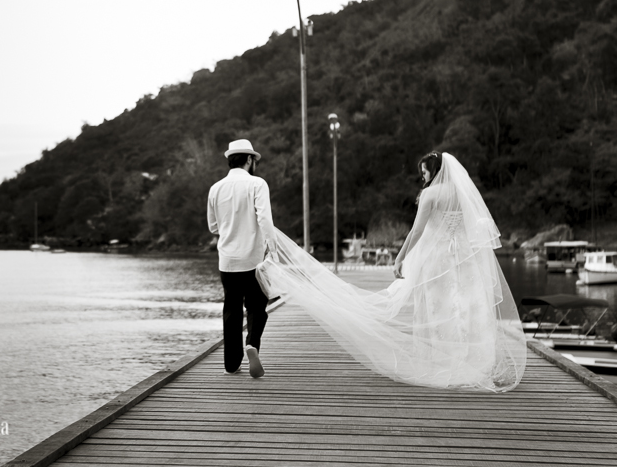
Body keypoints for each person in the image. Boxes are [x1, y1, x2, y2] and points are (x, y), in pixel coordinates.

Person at [256, 151, 526, 392]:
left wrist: (400, 257)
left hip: (437, 261)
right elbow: (471, 228)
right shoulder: (461, 193)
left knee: (438, 308)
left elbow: (418, 231)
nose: (422, 177)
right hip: (464, 260)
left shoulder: (431, 194)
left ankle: (444, 359)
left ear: (434, 170)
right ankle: (476, 361)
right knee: (467, 308)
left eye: (424, 172)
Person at [208, 139, 277, 378]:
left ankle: (231, 363)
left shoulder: (215, 188)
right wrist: (273, 250)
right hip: (254, 260)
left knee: (232, 309)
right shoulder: (257, 184)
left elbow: (213, 226)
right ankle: (252, 345)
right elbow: (265, 220)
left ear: (230, 160)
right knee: (257, 307)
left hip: (227, 261)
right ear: (249, 159)